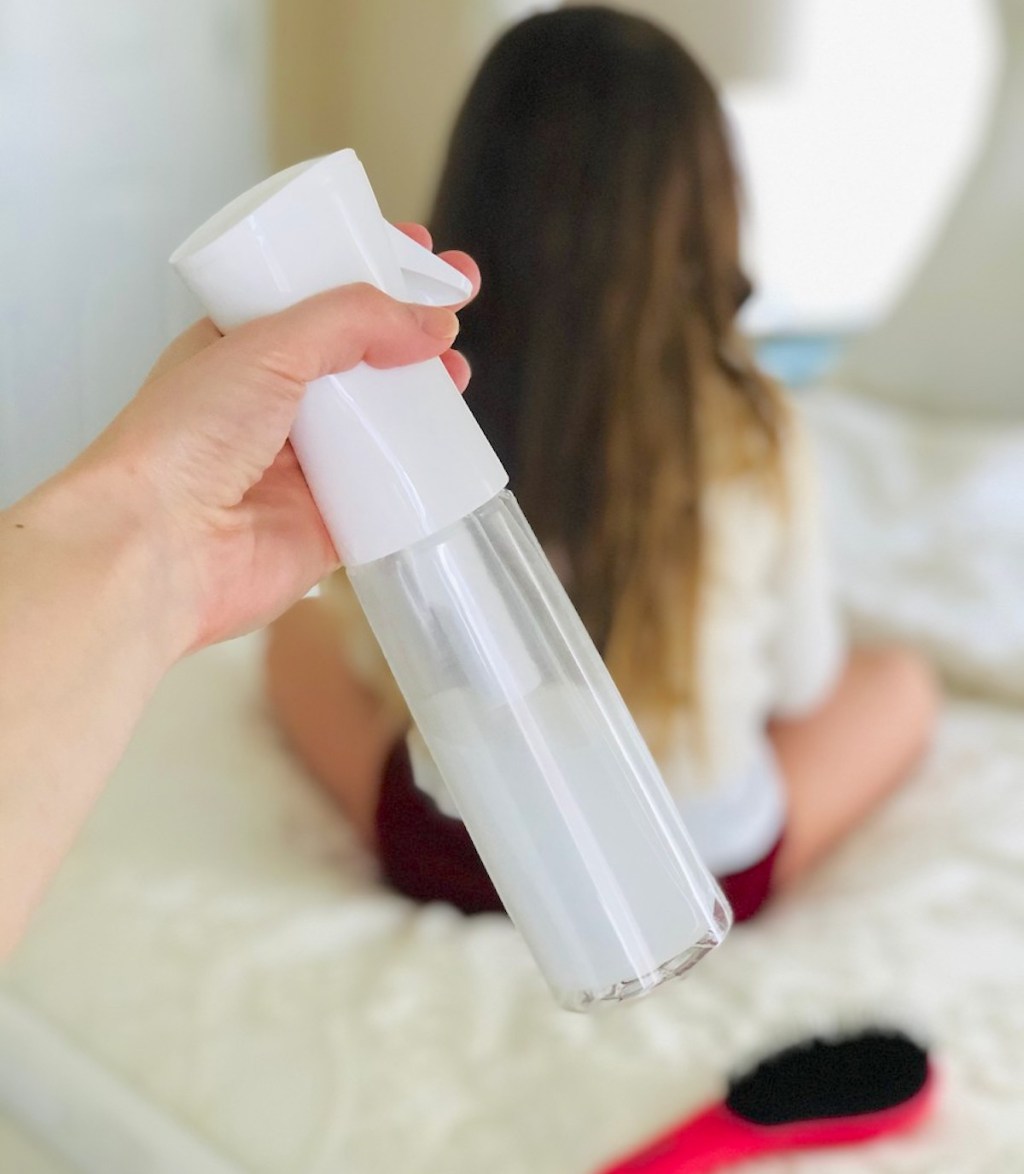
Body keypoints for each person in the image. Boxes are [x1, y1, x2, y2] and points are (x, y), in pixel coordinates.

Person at [266, 7, 938, 923]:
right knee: (898, 685)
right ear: (706, 208)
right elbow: (802, 684)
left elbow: (376, 645)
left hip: (457, 858)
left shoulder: (422, 397)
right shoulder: (752, 426)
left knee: (289, 642)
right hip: (692, 880)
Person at [0, 241, 477, 958]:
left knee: (301, 639)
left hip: (438, 833)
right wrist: (162, 543)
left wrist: (153, 533)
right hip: (696, 869)